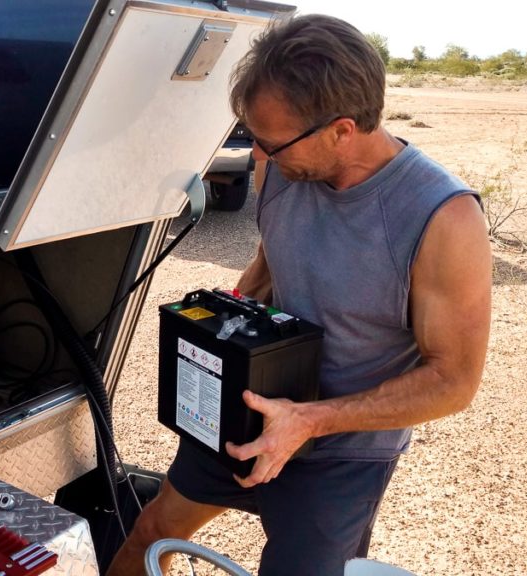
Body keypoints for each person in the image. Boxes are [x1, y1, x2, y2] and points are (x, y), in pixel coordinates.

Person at [107, 14, 492, 576]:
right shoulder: (282, 170)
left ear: (341, 130)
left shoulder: (442, 218)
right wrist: (226, 318)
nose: (259, 153)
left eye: (270, 141)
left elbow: (453, 381)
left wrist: (309, 421)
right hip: (247, 411)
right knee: (151, 533)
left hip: (341, 453)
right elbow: (273, 255)